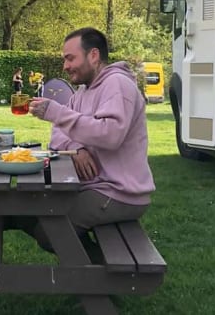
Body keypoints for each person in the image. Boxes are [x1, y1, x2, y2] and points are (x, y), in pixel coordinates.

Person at [28, 27, 155, 261]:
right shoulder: (82, 92)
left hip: (119, 192)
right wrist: (77, 148)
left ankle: (115, 274)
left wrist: (58, 114)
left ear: (93, 56)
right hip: (97, 186)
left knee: (51, 232)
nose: (65, 66)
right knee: (41, 213)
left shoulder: (117, 85)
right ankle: (105, 270)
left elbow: (110, 135)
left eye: (70, 58)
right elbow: (57, 135)